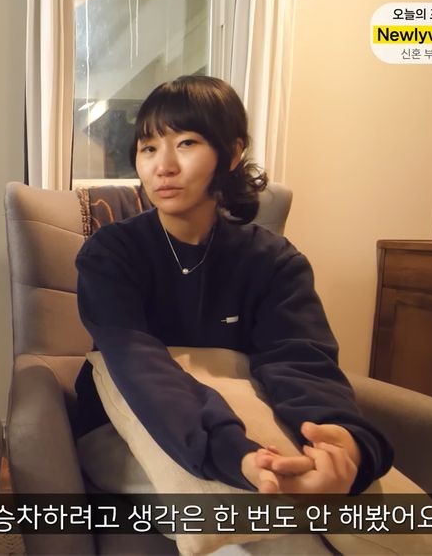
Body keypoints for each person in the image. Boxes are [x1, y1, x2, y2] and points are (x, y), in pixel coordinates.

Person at [74, 75, 393, 495]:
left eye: (186, 143)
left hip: (245, 421)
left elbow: (298, 358)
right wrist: (235, 455)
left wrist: (340, 437)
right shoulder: (110, 254)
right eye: (148, 148)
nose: (163, 166)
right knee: (249, 515)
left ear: (232, 152)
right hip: (128, 422)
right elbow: (138, 366)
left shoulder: (273, 260)